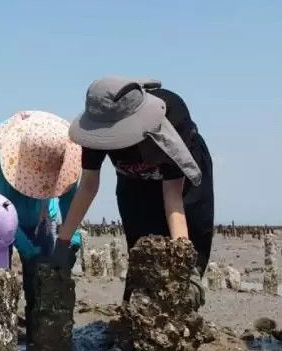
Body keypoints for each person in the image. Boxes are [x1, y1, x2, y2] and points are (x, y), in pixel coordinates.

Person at [52, 77, 212, 308]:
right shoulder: (98, 124)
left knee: (186, 259)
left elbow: (173, 196)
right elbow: (88, 185)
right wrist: (63, 242)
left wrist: (182, 263)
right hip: (133, 182)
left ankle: (181, 314)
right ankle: (135, 312)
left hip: (183, 181)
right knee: (141, 251)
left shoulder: (172, 116)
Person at [0, 110, 83, 342]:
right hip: (2, 214)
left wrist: (72, 240)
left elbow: (70, 202)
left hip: (42, 215)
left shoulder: (67, 153)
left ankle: (40, 333)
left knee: (43, 274)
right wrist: (25, 249)